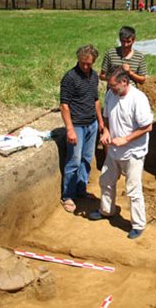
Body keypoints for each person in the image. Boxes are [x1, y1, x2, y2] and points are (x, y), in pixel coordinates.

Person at [89, 66, 153, 239]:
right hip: (114, 149)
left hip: (133, 152)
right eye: (109, 86)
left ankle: (138, 224)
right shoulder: (111, 94)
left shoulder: (138, 99)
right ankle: (106, 210)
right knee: (106, 181)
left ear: (124, 82)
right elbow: (108, 116)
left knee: (133, 189)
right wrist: (107, 131)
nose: (111, 89)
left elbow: (147, 126)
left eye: (114, 86)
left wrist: (126, 139)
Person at [59, 45, 104, 213]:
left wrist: (100, 121)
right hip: (77, 125)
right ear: (78, 60)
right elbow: (64, 105)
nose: (85, 66)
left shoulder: (93, 76)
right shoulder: (70, 78)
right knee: (74, 160)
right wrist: (69, 129)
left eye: (89, 63)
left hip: (91, 123)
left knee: (86, 158)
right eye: (83, 63)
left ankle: (81, 189)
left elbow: (95, 100)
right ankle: (68, 195)